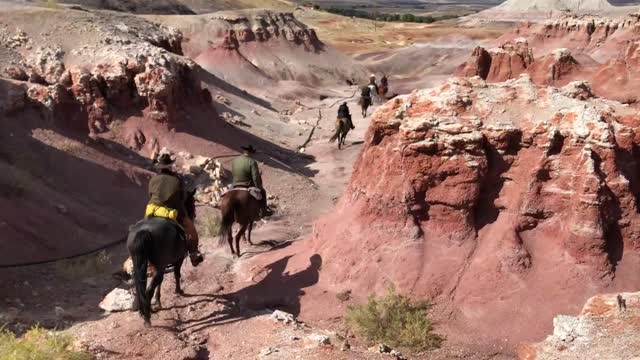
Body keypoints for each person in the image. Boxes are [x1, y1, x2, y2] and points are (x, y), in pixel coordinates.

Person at [146, 153, 203, 266]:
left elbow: (150, 195)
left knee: (145, 230)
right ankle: (194, 256)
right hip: (172, 211)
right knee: (192, 232)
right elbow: (183, 198)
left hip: (152, 210)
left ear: (159, 168)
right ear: (170, 166)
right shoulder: (177, 179)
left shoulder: (153, 179)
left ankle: (147, 262)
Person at [232, 145, 272, 217]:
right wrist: (258, 187)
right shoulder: (252, 162)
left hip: (235, 184)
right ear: (250, 153)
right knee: (263, 192)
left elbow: (234, 173)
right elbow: (255, 177)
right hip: (247, 184)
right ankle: (263, 211)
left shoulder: (235, 160)